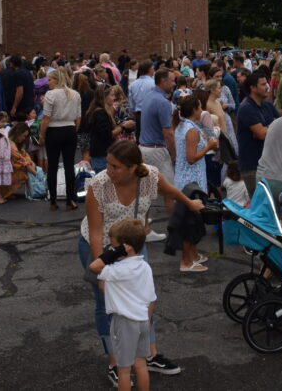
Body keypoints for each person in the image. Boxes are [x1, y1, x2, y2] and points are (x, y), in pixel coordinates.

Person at [80, 140, 202, 382]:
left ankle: (148, 354)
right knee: (106, 304)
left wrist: (191, 204)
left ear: (133, 167)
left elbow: (171, 191)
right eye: (108, 164)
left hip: (134, 246)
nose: (109, 170)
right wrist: (102, 269)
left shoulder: (150, 177)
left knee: (144, 299)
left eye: (115, 167)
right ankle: (115, 362)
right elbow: (95, 232)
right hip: (102, 245)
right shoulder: (99, 185)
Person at [89, 218, 156, 391]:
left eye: (113, 246)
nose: (111, 249)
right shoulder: (145, 267)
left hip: (124, 322)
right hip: (142, 320)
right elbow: (151, 299)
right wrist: (147, 321)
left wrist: (112, 253)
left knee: (124, 370)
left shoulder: (119, 270)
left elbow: (94, 266)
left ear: (125, 247)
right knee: (140, 365)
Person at [172, 95, 217, 272]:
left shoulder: (183, 125)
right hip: (191, 180)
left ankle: (194, 254)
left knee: (193, 221)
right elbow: (191, 158)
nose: (201, 110)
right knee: (190, 222)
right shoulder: (191, 130)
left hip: (187, 178)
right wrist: (209, 147)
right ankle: (186, 261)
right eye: (199, 107)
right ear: (194, 110)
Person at [42, 67, 82, 210]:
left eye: (50, 79)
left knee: (52, 166)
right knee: (69, 166)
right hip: (70, 129)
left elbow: (46, 118)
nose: (48, 82)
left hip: (53, 130)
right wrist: (73, 130)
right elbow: (78, 118)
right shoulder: (75, 94)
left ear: (57, 80)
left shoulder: (50, 94)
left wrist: (41, 135)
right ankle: (70, 200)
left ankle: (53, 200)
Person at [138, 68, 177, 216]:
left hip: (144, 148)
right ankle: (176, 229)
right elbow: (168, 134)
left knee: (145, 192)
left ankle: (144, 228)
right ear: (163, 81)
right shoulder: (163, 102)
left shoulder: (149, 95)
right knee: (170, 191)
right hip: (156, 150)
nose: (174, 84)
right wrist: (174, 155)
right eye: (172, 80)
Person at [236, 71, 279, 196]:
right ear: (253, 88)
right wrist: (269, 128)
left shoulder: (267, 105)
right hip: (252, 165)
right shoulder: (246, 108)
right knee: (259, 205)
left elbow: (280, 125)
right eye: (263, 84)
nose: (267, 87)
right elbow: (262, 134)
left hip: (269, 163)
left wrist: (266, 128)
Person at [6, 122, 38, 198]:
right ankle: (5, 192)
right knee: (23, 170)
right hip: (6, 169)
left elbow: (24, 154)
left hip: (10, 167)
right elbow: (20, 158)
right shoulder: (10, 144)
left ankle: (7, 191)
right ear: (18, 133)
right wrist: (32, 168)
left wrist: (30, 162)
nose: (24, 138)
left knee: (26, 164)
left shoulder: (14, 142)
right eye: (24, 136)